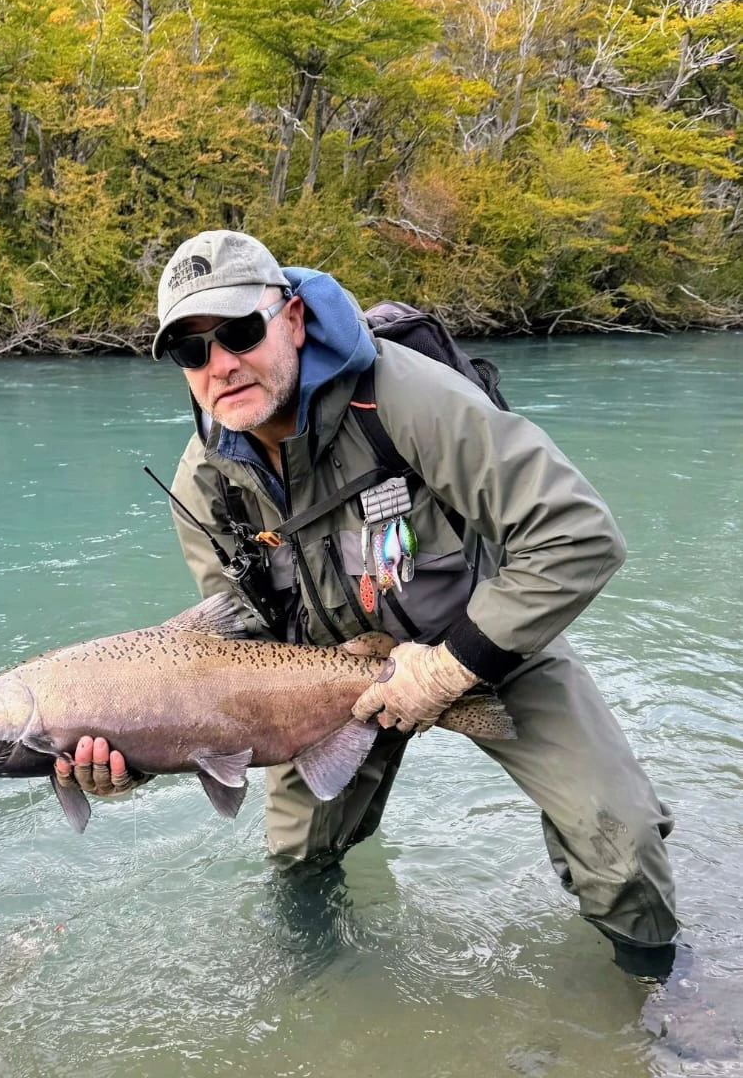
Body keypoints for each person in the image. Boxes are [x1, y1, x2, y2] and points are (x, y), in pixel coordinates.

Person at [55, 229, 679, 980]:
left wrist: (453, 668)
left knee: (621, 840)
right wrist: (143, 748)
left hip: (488, 638)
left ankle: (654, 1000)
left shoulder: (407, 398)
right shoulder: (204, 481)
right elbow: (226, 651)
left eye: (239, 332)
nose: (220, 363)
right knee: (296, 861)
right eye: (191, 351)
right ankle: (320, 1000)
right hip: (324, 679)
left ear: (288, 319)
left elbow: (577, 535)